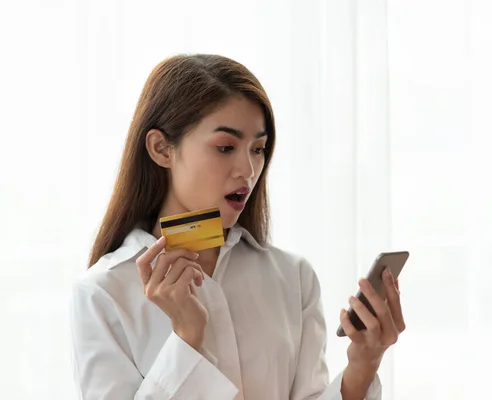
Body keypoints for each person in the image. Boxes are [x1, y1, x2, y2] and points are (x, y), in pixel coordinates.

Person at [70, 54, 406, 400]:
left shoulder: (293, 277)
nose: (247, 170)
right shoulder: (103, 293)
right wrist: (186, 338)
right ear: (161, 149)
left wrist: (363, 365)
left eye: (258, 149)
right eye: (226, 147)